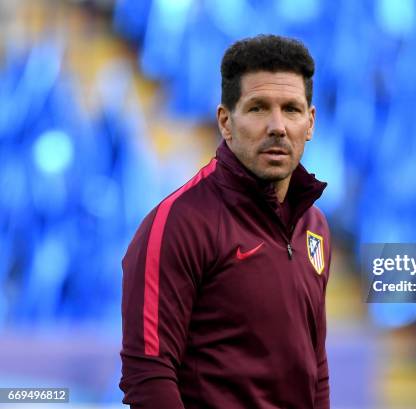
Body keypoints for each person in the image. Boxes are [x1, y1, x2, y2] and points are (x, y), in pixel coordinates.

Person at [119, 34, 331, 409]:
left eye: (292, 109)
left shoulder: (314, 226)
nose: (278, 126)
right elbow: (147, 376)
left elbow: (315, 370)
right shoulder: (178, 224)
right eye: (258, 108)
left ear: (310, 123)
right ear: (225, 121)